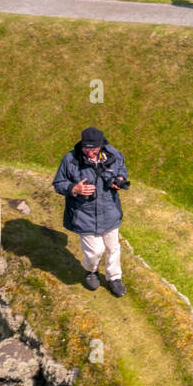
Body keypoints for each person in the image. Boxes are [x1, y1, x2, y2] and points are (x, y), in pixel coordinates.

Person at [51, 127, 130, 298]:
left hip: (109, 212)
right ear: (82, 144)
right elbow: (58, 183)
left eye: (94, 149)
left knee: (113, 248)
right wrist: (74, 188)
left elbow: (122, 169)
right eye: (87, 148)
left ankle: (114, 277)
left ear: (101, 145)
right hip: (83, 215)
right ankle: (91, 271)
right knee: (95, 251)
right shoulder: (70, 160)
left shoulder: (114, 155)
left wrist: (120, 179)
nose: (90, 152)